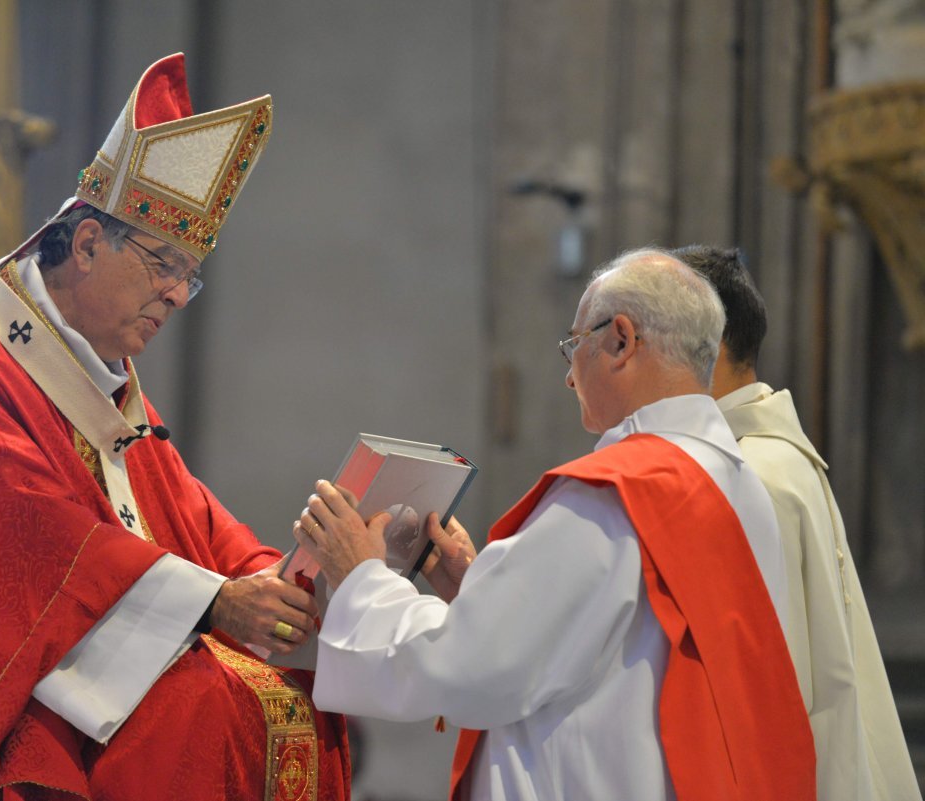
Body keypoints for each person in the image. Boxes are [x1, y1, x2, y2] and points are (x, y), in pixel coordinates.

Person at [0, 53, 348, 801]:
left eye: (191, 275)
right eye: (164, 265)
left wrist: (280, 578)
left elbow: (182, 513)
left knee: (290, 701)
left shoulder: (102, 378)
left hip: (69, 669)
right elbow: (34, 538)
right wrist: (213, 601)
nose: (178, 295)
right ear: (88, 244)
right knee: (199, 707)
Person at [291, 249, 816, 801]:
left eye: (574, 345)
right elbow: (607, 641)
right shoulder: (735, 481)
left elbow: (470, 668)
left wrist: (362, 579)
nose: (569, 376)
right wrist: (477, 589)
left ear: (620, 340)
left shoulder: (614, 494)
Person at [674, 244, 921, 801]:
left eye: (637, 343)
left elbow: (754, 685)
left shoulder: (749, 474)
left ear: (701, 346)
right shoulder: (772, 454)